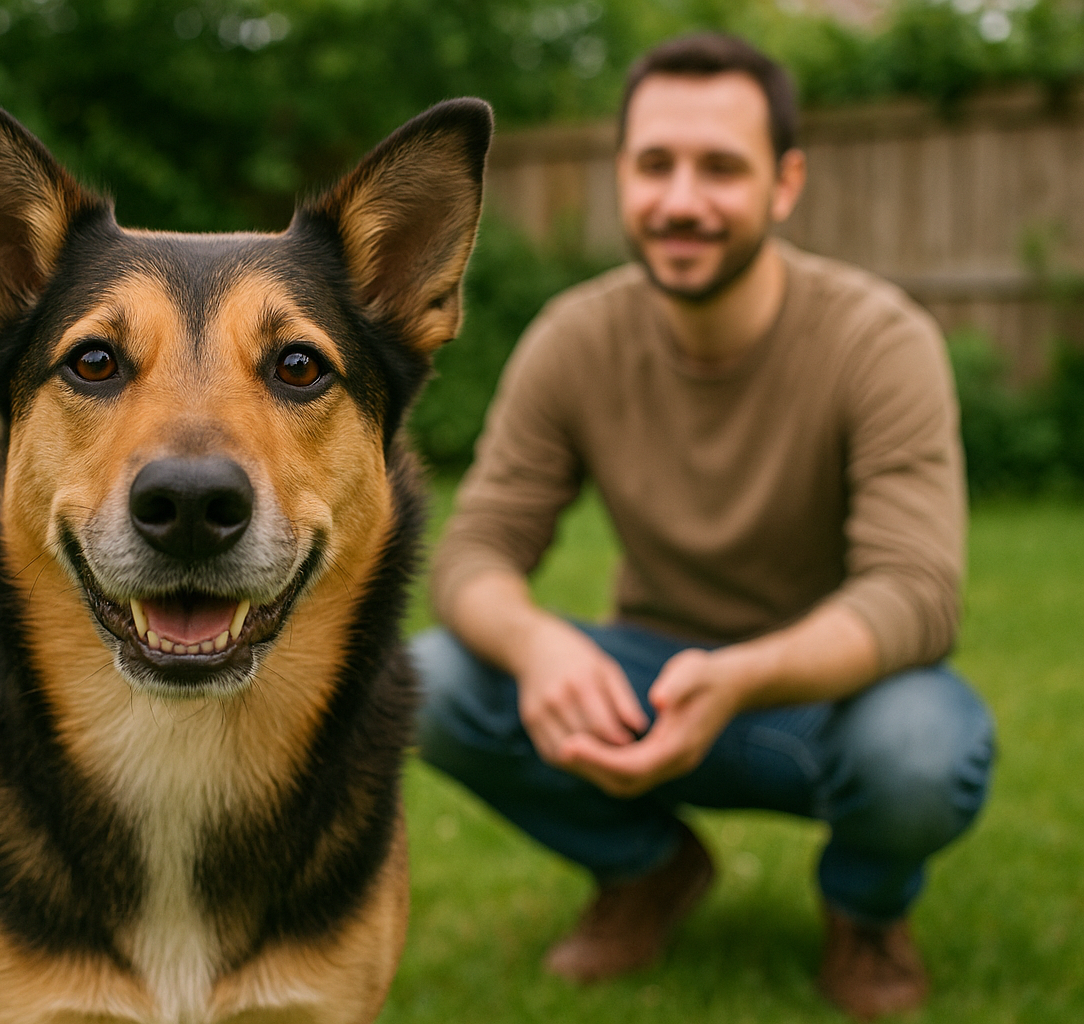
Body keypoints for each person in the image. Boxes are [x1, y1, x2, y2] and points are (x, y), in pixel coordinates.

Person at [414, 32, 994, 1020]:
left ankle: (864, 912)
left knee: (920, 751)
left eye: (721, 167)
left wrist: (747, 676)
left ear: (785, 182)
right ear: (622, 177)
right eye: (656, 165)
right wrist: (541, 643)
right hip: (648, 679)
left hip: (827, 700)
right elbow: (474, 553)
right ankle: (649, 870)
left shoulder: (878, 338)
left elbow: (917, 595)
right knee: (427, 679)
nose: (682, 200)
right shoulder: (575, 339)